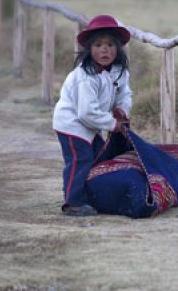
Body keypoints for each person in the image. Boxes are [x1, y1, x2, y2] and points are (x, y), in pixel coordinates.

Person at [52, 14, 133, 216]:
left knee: (98, 158)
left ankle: (86, 194)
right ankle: (73, 203)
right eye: (98, 45)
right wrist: (113, 124)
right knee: (80, 160)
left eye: (109, 45)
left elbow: (125, 94)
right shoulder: (85, 76)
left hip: (91, 125)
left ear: (118, 48)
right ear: (89, 49)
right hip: (72, 123)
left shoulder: (119, 71)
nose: (104, 50)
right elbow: (86, 112)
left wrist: (122, 110)